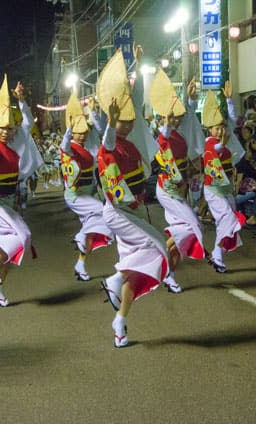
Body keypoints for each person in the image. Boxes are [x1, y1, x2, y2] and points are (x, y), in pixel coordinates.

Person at [98, 47, 169, 348]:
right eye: (121, 121)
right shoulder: (110, 146)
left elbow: (136, 100)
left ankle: (120, 323)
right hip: (117, 211)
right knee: (159, 246)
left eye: (129, 120)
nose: (126, 124)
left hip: (134, 210)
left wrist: (140, 67)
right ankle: (114, 280)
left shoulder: (134, 140)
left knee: (135, 269)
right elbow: (106, 146)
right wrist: (110, 122)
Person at [0, 76, 43, 306]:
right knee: (23, 236)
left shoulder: (16, 142)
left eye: (9, 128)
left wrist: (22, 101)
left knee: (13, 245)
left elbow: (27, 122)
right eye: (1, 128)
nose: (6, 132)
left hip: (9, 201)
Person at [149, 68, 206, 291]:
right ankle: (160, 257)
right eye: (169, 116)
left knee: (182, 229)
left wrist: (189, 100)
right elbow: (165, 148)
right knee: (194, 226)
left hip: (178, 189)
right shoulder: (162, 137)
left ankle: (168, 273)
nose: (174, 120)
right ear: (163, 116)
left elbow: (188, 119)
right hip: (168, 189)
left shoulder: (179, 131)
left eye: (176, 116)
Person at [60, 91, 113, 281]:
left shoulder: (90, 140)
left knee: (93, 229)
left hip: (89, 192)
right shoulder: (69, 147)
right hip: (76, 194)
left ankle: (81, 265)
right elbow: (64, 146)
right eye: (78, 132)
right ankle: (81, 236)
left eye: (84, 132)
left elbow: (102, 131)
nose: (81, 135)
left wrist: (93, 111)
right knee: (105, 212)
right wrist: (69, 127)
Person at [202, 81, 246, 272]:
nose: (220, 131)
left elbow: (234, 120)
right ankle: (217, 252)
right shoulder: (209, 143)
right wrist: (222, 143)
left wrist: (229, 100)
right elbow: (215, 149)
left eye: (222, 127)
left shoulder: (226, 140)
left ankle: (217, 256)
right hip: (213, 189)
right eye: (216, 128)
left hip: (226, 187)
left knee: (225, 221)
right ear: (209, 130)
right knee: (228, 218)